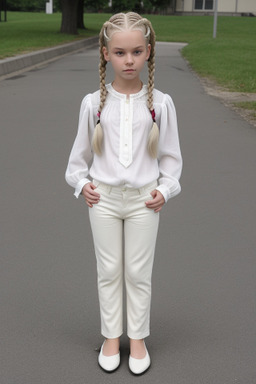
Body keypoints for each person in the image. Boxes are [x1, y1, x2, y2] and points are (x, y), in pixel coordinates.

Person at [65, 12, 182, 375]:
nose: (128, 60)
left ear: (148, 52)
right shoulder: (94, 104)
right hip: (104, 200)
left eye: (135, 52)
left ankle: (139, 338)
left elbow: (172, 159)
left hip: (144, 201)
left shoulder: (160, 104)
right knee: (110, 269)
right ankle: (111, 337)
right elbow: (76, 161)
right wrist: (82, 184)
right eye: (119, 52)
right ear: (105, 54)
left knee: (137, 271)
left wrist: (165, 189)